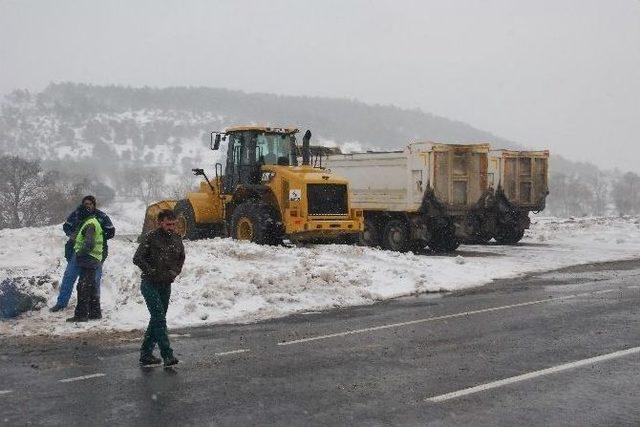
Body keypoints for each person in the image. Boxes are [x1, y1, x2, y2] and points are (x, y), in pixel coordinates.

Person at [133, 209, 185, 367]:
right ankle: (167, 355)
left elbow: (181, 258)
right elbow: (137, 258)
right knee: (159, 318)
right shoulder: (151, 237)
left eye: (174, 224)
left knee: (157, 319)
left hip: (166, 284)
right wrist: (151, 271)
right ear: (160, 223)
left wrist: (174, 272)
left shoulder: (177, 239)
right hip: (150, 283)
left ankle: (146, 353)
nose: (171, 227)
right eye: (168, 224)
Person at [50, 196, 115, 312]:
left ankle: (94, 307)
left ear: (94, 205)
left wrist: (99, 236)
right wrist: (72, 235)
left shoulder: (101, 217)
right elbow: (66, 226)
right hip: (78, 253)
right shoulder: (77, 214)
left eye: (90, 203)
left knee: (94, 281)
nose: (87, 205)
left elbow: (111, 231)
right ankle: (61, 303)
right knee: (69, 277)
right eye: (85, 203)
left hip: (94, 255)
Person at [65, 208, 105, 322]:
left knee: (83, 287)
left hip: (88, 259)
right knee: (91, 286)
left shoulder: (90, 224)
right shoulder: (93, 222)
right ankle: (95, 313)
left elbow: (89, 243)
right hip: (93, 259)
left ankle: (81, 315)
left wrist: (80, 253)